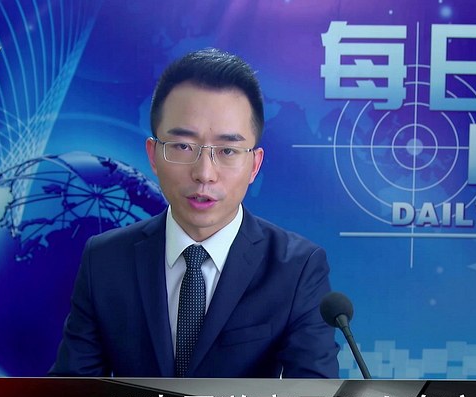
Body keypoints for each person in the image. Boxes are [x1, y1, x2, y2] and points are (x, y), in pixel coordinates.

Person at [50, 48, 339, 378]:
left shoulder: (297, 268)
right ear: (153, 155)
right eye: (183, 146)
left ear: (254, 165)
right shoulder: (105, 260)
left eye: (227, 150)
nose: (204, 173)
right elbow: (70, 396)